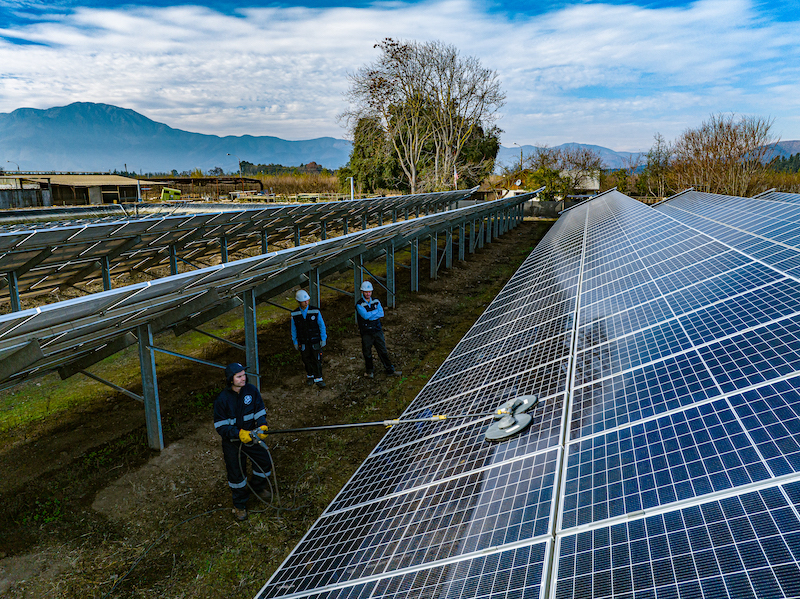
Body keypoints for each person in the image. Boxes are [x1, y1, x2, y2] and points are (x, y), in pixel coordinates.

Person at [213, 362, 272, 521]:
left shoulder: (251, 391)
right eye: (239, 376)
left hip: (252, 436)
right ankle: (239, 505)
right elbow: (220, 426)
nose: (243, 378)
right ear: (230, 380)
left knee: (264, 461)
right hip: (232, 442)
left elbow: (259, 411)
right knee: (236, 474)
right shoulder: (222, 400)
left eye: (244, 375)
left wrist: (262, 425)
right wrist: (238, 433)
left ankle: (257, 488)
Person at [356, 280, 402, 378]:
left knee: (383, 351)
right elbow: (365, 316)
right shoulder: (359, 304)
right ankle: (369, 371)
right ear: (362, 292)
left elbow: (381, 313)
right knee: (367, 353)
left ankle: (390, 370)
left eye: (369, 292)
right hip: (366, 332)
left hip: (377, 330)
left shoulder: (376, 301)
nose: (368, 294)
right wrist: (375, 313)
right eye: (366, 292)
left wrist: (371, 314)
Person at [290, 289, 327, 388]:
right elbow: (293, 329)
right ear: (299, 302)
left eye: (307, 300)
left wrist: (323, 338)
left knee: (317, 359)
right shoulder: (295, 314)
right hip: (303, 341)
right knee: (306, 359)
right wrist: (295, 341)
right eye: (304, 301)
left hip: (315, 340)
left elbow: (321, 325)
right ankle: (310, 376)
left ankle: (318, 377)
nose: (306, 302)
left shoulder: (315, 311)